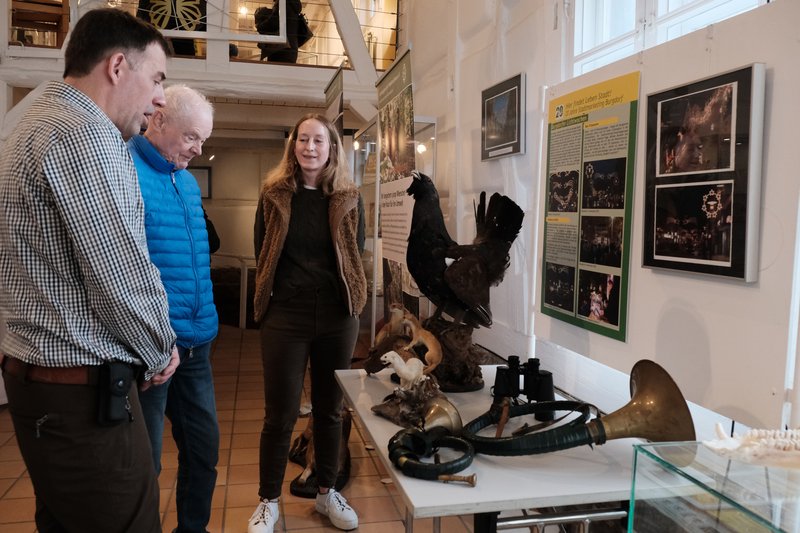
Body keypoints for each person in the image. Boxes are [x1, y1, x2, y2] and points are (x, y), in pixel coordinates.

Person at [0, 8, 178, 533]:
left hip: (41, 386)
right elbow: (118, 271)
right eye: (158, 78)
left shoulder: (33, 121)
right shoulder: (83, 133)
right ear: (119, 66)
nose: (161, 97)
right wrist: (159, 347)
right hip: (80, 397)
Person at [249, 113, 367, 533]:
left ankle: (326, 493)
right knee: (279, 414)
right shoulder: (274, 194)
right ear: (293, 146)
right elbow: (263, 248)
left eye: (318, 141)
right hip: (287, 314)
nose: (310, 147)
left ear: (332, 148)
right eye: (303, 140)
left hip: (336, 316)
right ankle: (268, 500)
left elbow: (356, 253)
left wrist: (354, 300)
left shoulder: (349, 197)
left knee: (330, 412)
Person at [128, 84, 220, 533]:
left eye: (202, 140)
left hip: (196, 346)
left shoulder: (185, 181)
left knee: (204, 452)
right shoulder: (124, 168)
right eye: (191, 138)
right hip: (151, 351)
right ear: (158, 120)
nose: (198, 149)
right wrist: (155, 339)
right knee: (146, 467)